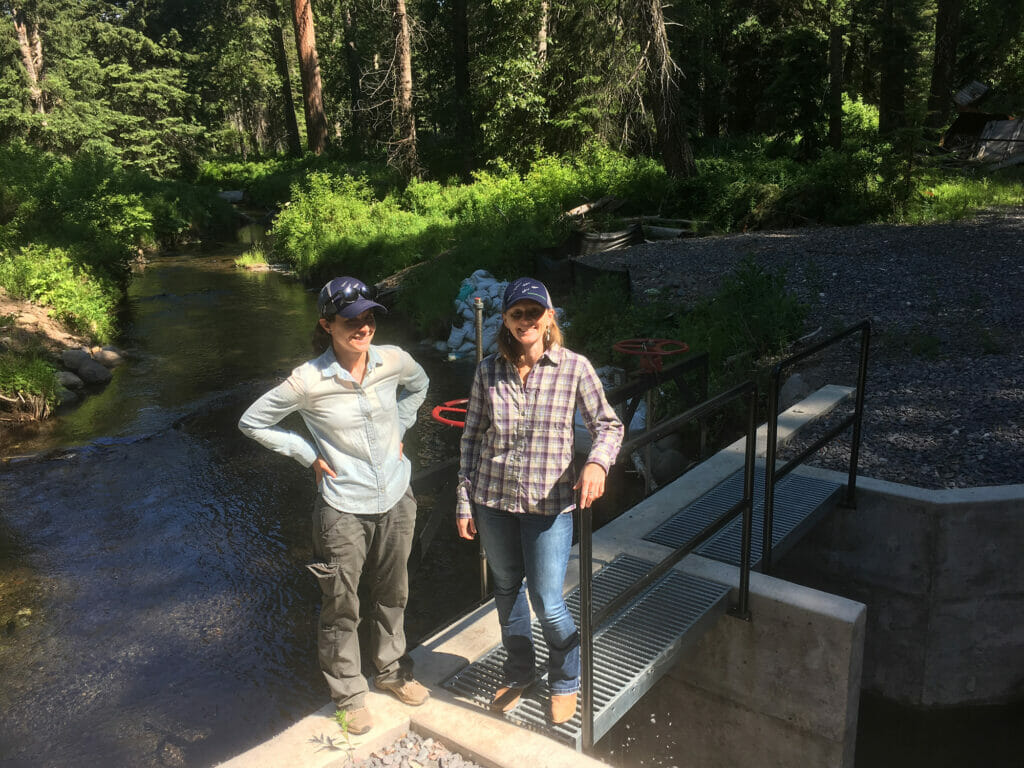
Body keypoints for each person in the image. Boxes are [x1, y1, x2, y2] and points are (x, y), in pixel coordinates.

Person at [239, 276, 430, 735]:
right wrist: (307, 455)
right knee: (341, 605)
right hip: (343, 508)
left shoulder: (393, 361)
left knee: (393, 594)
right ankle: (348, 692)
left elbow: (420, 385)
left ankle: (390, 673)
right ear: (327, 325)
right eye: (350, 320)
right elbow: (252, 422)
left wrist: (401, 428)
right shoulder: (307, 381)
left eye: (368, 318)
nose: (362, 327)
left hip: (396, 499)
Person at [456, 277, 623, 725]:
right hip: (492, 500)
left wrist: (597, 465)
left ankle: (566, 678)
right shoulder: (488, 370)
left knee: (548, 599)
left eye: (534, 312)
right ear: (506, 321)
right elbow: (472, 438)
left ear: (549, 317)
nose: (526, 320)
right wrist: (463, 500)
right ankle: (519, 673)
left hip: (550, 509)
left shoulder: (574, 368)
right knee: (507, 590)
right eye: (517, 314)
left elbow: (609, 425)